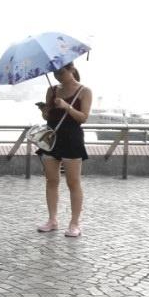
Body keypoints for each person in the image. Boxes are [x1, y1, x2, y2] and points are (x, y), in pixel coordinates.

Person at [36, 62, 91, 237]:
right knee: (51, 180)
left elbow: (83, 118)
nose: (57, 76)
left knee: (73, 182)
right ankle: (52, 220)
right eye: (54, 72)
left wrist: (67, 106)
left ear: (71, 69)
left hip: (72, 138)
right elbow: (48, 116)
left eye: (60, 72)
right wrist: (45, 111)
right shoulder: (51, 90)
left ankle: (75, 223)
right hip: (51, 137)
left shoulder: (84, 91)